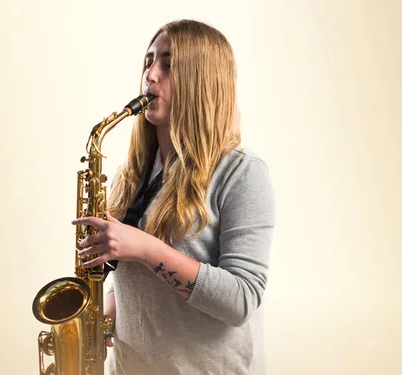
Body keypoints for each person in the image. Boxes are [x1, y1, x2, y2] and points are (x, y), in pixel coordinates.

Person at [71, 19, 275, 375]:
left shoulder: (242, 173)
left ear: (202, 80)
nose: (150, 75)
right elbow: (137, 276)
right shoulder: (132, 173)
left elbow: (241, 300)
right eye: (148, 61)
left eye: (169, 63)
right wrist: (108, 307)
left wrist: (146, 249)